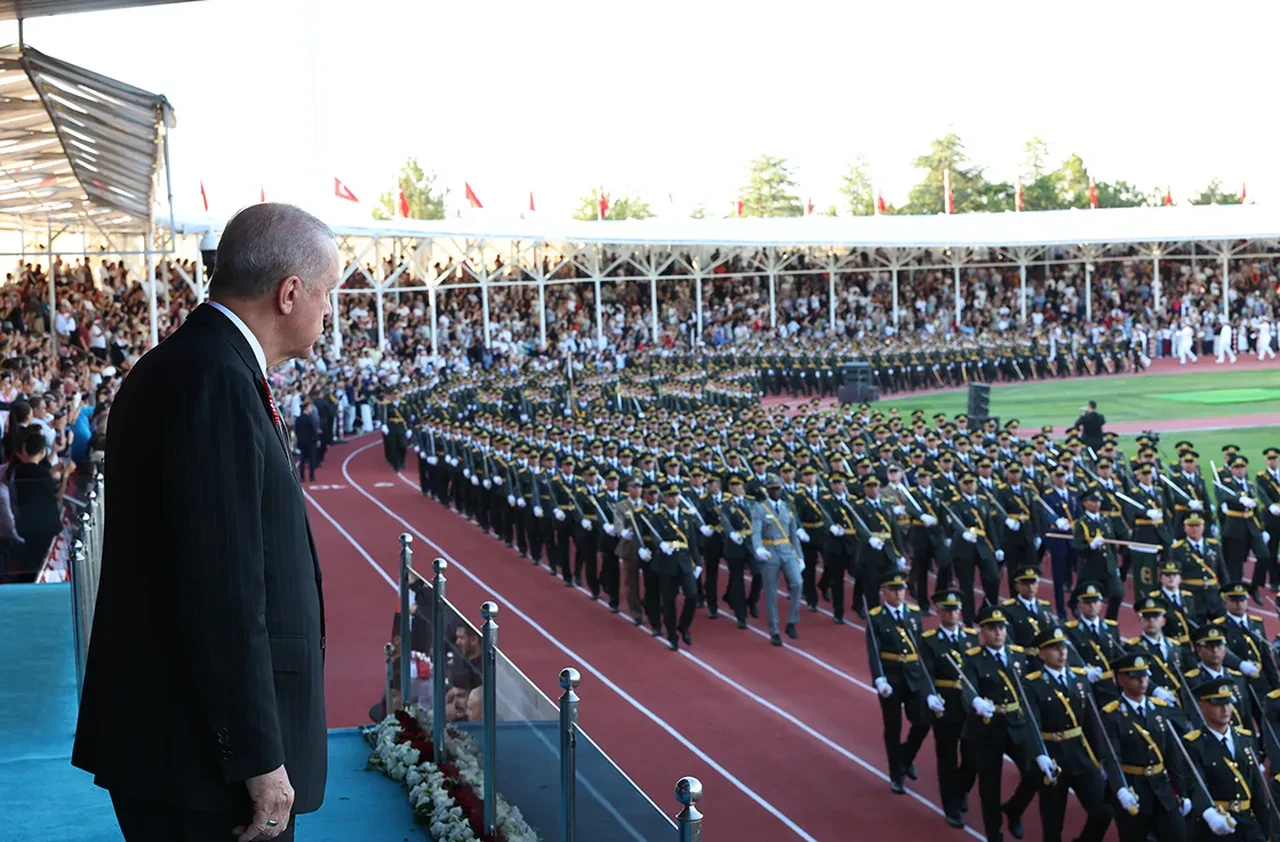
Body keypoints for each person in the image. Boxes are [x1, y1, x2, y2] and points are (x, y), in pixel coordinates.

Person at [72, 204, 340, 842]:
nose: (330, 312)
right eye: (328, 293)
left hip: (183, 749)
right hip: (204, 768)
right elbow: (222, 585)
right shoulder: (215, 379)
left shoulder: (195, 364)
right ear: (290, 292)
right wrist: (257, 759)